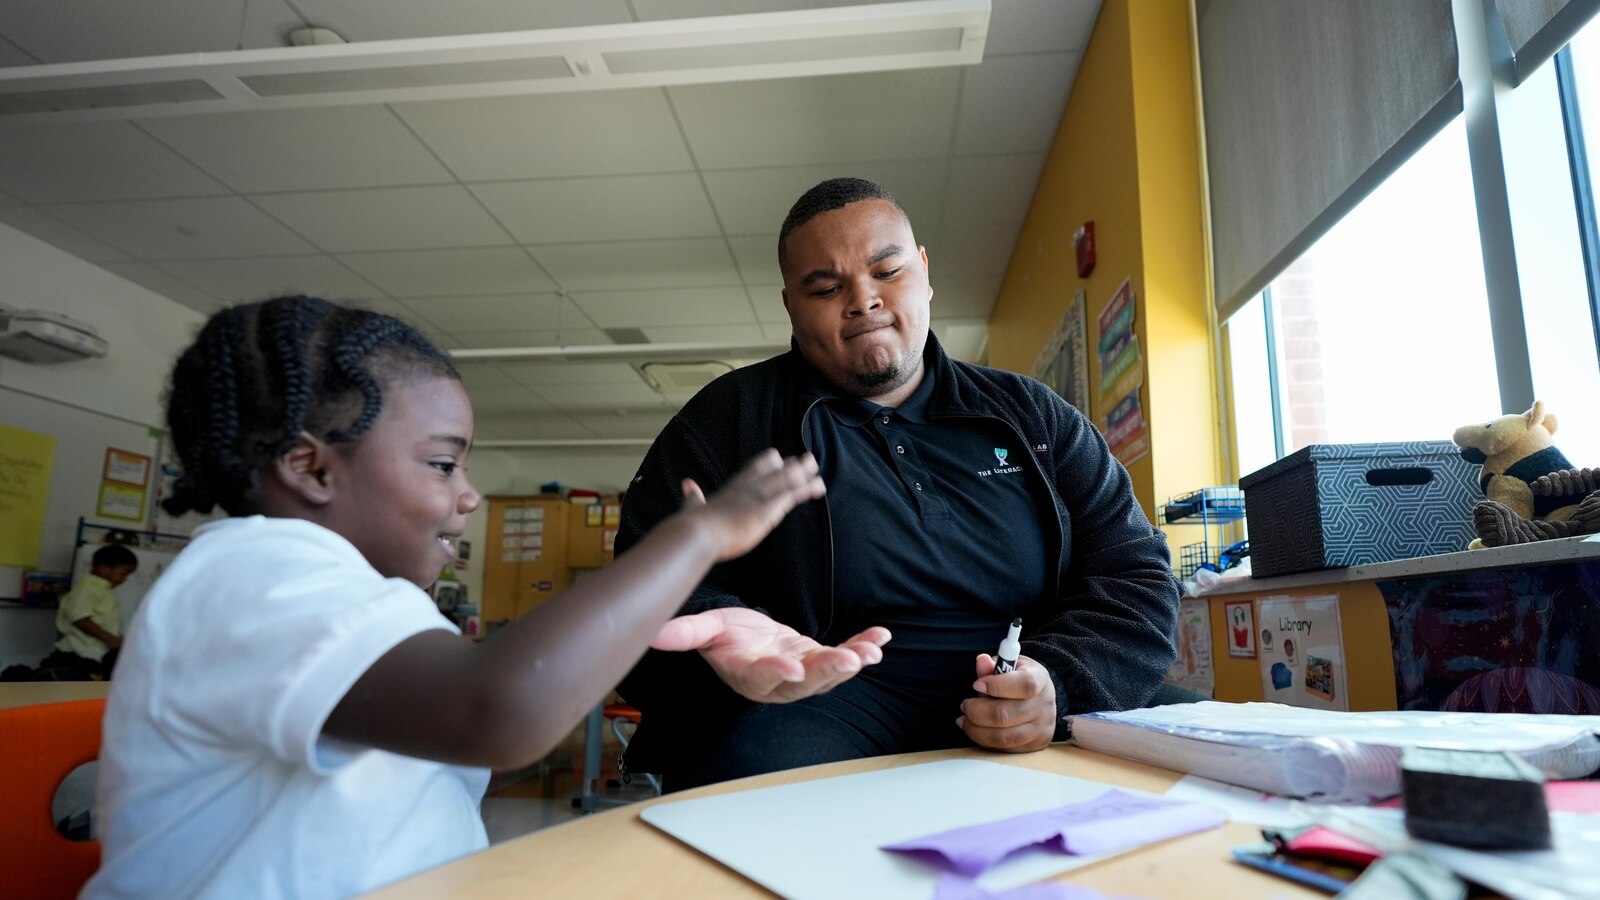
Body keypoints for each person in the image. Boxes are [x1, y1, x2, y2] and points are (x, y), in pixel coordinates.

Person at [85, 295, 842, 900]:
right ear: (311, 470)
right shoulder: (255, 573)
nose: (469, 496)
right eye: (443, 465)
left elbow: (467, 722)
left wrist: (669, 621)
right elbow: (497, 711)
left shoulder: (350, 595)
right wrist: (696, 538)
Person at [617, 178, 1181, 791]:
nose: (862, 301)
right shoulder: (727, 422)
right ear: (790, 304)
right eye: (827, 288)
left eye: (886, 272)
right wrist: (727, 651)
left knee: (1210, 759)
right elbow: (641, 592)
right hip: (821, 711)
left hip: (1031, 693)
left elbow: (1136, 574)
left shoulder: (1034, 417)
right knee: (734, 789)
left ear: (924, 272)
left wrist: (1061, 684)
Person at [42, 543, 137, 680]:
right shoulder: (86, 589)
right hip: (78, 655)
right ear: (104, 568)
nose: (125, 579)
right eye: (123, 574)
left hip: (96, 656)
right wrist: (109, 638)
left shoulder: (106, 591)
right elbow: (80, 619)